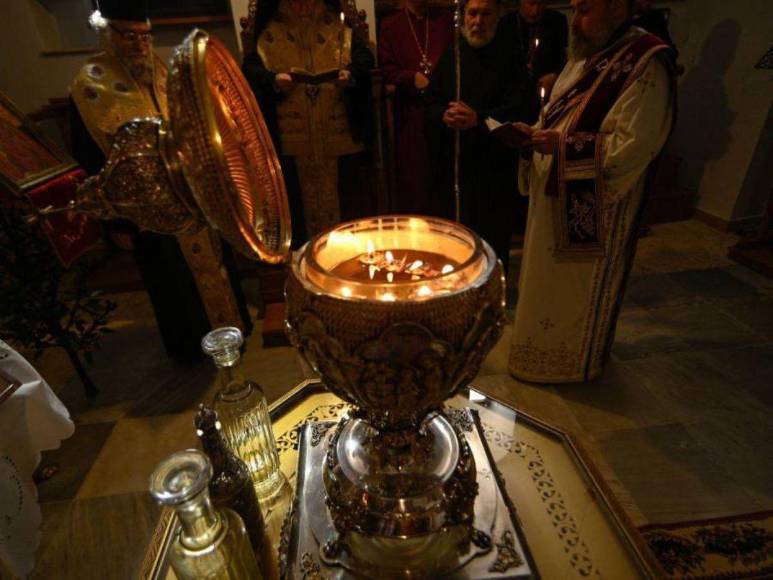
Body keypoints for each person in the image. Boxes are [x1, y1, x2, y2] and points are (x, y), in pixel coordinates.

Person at [70, 0, 252, 362]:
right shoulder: (91, 84)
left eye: (146, 36)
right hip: (146, 209)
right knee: (172, 281)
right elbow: (92, 161)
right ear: (110, 34)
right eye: (130, 36)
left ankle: (232, 333)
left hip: (192, 195)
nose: (141, 44)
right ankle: (192, 351)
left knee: (214, 266)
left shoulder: (160, 69)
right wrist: (118, 222)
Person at [508, 0, 676, 383]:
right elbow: (556, 114)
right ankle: (534, 350)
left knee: (574, 289)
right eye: (574, 10)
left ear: (618, 8)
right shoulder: (585, 55)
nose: (576, 21)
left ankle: (570, 363)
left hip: (592, 202)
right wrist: (532, 135)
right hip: (551, 194)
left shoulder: (645, 61)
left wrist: (562, 146)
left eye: (586, 10)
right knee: (541, 281)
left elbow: (636, 144)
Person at [242, 0, 375, 242]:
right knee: (298, 210)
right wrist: (274, 80)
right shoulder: (271, 28)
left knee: (347, 205)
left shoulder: (335, 22)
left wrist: (350, 74)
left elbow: (365, 58)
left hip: (337, 132)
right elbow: (250, 69)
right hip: (292, 137)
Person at [424, 0, 535, 274]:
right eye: (472, 13)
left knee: (492, 239)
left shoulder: (510, 57)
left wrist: (479, 119)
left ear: (497, 16)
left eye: (486, 14)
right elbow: (431, 102)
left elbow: (521, 108)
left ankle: (493, 294)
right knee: (457, 239)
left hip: (493, 170)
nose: (478, 21)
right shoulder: (454, 54)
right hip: (455, 168)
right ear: (463, 16)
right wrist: (443, 115)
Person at [378, 0, 453, 214]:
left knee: (443, 180)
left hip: (443, 110)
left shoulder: (445, 19)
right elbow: (387, 69)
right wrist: (412, 78)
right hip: (411, 114)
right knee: (415, 182)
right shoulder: (391, 24)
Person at [499, 0, 569, 97]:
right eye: (531, 4)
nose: (535, 11)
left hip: (548, 90)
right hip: (513, 93)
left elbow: (563, 58)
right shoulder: (505, 24)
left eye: (541, 4)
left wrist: (555, 75)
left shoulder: (557, 21)